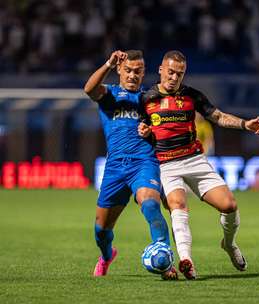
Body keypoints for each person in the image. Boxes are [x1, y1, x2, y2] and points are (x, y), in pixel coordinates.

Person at [138, 50, 259, 280]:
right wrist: (143, 132)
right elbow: (140, 130)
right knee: (178, 205)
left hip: (195, 160)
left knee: (229, 205)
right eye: (171, 72)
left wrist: (246, 124)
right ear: (160, 70)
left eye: (180, 73)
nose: (174, 77)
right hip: (166, 164)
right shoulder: (146, 99)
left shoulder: (192, 96)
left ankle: (228, 244)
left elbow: (218, 116)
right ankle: (187, 260)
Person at [84, 50, 177, 280]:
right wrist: (107, 63)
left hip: (143, 163)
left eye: (137, 71)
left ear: (144, 72)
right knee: (101, 230)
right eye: (128, 70)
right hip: (115, 168)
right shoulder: (110, 95)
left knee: (150, 206)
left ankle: (165, 261)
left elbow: (164, 133)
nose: (133, 75)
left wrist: (151, 132)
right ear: (119, 70)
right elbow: (88, 89)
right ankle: (106, 256)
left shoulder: (150, 100)